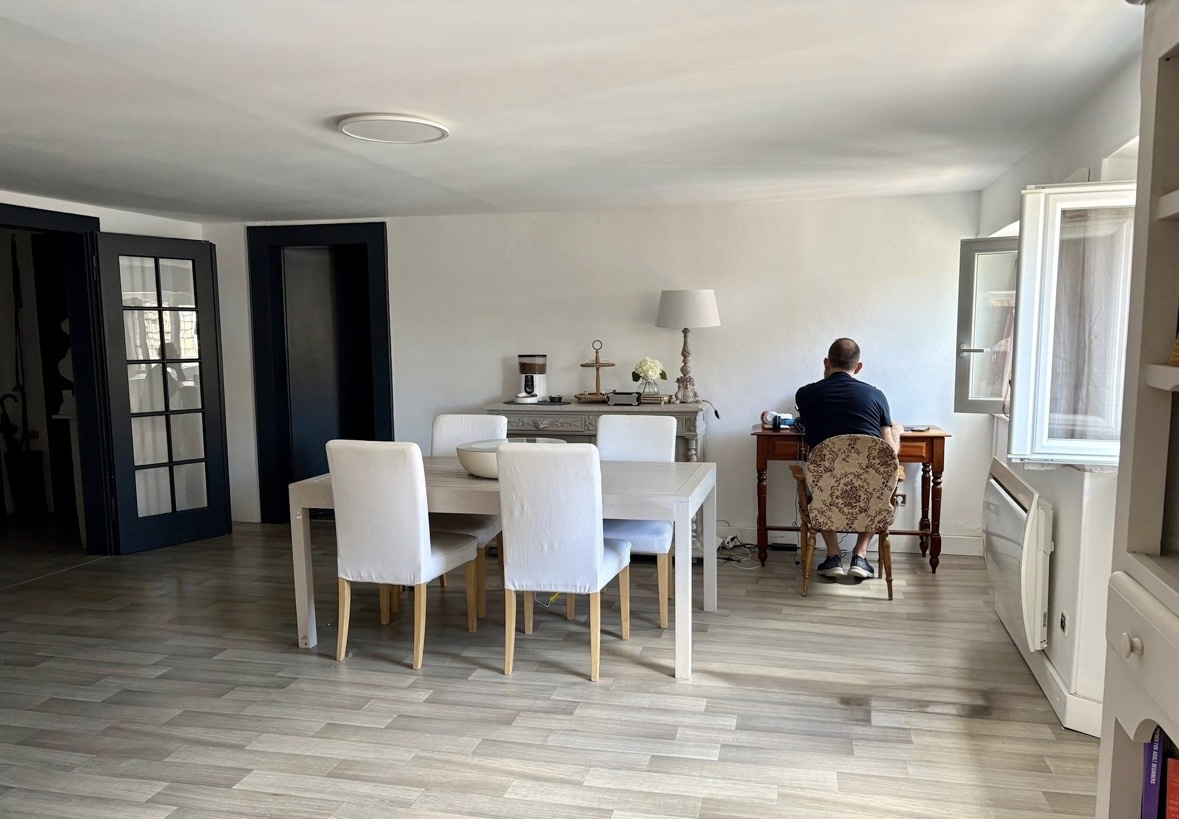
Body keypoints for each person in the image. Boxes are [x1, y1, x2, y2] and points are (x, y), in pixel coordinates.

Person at [794, 338, 902, 581]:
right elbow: (890, 452)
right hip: (867, 487)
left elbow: (807, 421)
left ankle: (833, 555)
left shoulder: (805, 394)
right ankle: (860, 556)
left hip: (827, 484)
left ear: (826, 363)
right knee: (878, 485)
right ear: (858, 367)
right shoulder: (877, 396)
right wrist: (896, 430)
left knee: (821, 484)